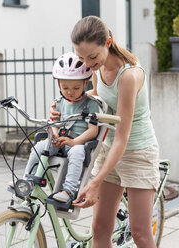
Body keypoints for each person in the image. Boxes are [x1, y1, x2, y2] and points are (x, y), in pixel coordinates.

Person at [50, 16, 160, 248]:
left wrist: (95, 182)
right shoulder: (97, 69)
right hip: (108, 149)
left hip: (137, 154)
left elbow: (122, 135)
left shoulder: (128, 76)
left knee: (140, 233)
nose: (87, 64)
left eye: (92, 57)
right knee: (99, 230)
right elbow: (97, 101)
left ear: (108, 43)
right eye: (80, 57)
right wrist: (63, 108)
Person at [11, 52, 99, 203]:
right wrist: (56, 135)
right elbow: (55, 124)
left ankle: (68, 190)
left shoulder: (91, 103)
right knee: (39, 146)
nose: (70, 92)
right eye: (65, 88)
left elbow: (93, 130)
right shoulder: (59, 102)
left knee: (77, 152)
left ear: (85, 84)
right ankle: (28, 180)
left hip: (77, 143)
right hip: (61, 142)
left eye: (76, 87)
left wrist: (74, 142)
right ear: (59, 85)